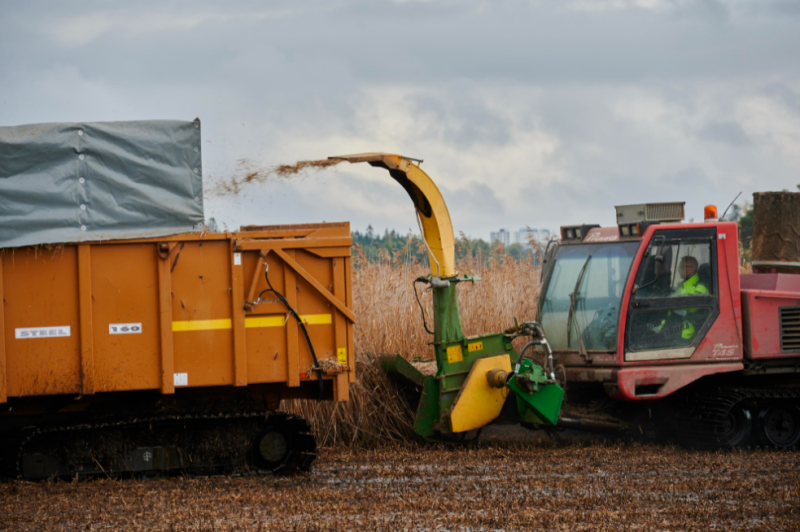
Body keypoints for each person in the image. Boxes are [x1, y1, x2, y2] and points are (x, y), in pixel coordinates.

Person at [672, 255, 709, 340]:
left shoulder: (700, 287)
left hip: (687, 333)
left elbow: (693, 306)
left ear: (692, 269)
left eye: (682, 267)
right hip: (675, 326)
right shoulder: (682, 285)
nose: (679, 269)